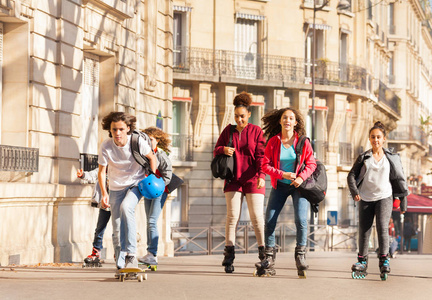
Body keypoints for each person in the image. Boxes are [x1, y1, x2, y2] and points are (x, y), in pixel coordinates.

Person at [258, 107, 316, 278]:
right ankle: (269, 258)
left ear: (295, 122)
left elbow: (311, 164)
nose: (287, 120)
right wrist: (282, 174)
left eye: (291, 118)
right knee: (269, 220)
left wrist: (300, 178)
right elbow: (265, 165)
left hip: (298, 186)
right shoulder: (274, 142)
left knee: (301, 220)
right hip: (280, 185)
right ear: (280, 121)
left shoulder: (303, 142)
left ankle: (300, 257)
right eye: (285, 117)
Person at [213, 92, 266, 273]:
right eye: (236, 116)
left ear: (249, 115)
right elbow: (215, 150)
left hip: (253, 178)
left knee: (257, 218)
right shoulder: (228, 130)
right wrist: (224, 149)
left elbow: (261, 156)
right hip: (233, 179)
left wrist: (261, 175)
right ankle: (229, 257)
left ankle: (264, 256)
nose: (239, 119)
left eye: (242, 116)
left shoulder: (256, 131)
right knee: (232, 217)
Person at [347, 121, 408, 280]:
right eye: (373, 137)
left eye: (379, 137)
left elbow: (400, 180)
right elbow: (351, 176)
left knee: (382, 227)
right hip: (366, 198)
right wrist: (355, 192)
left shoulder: (391, 158)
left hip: (385, 197)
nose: (376, 140)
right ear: (369, 139)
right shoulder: (364, 157)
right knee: (364, 230)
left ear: (384, 139)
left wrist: (403, 201)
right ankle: (362, 262)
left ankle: (384, 260)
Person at [98, 111, 158, 269]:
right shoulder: (106, 146)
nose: (117, 133)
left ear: (128, 129)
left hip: (135, 184)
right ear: (109, 130)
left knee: (127, 207)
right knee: (117, 226)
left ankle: (131, 255)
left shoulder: (137, 141)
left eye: (121, 129)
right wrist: (104, 193)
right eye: (114, 130)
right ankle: (120, 256)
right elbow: (101, 172)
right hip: (115, 187)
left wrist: (149, 179)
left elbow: (153, 158)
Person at [138, 127, 172, 266]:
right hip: (147, 191)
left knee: (152, 221)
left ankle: (152, 254)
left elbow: (168, 174)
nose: (148, 142)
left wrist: (158, 185)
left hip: (160, 191)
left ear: (157, 140)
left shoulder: (162, 155)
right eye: (146, 139)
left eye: (151, 140)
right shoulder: (144, 154)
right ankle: (150, 253)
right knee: (149, 221)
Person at [77, 167, 111, 267]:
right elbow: (93, 175)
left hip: (118, 203)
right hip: (106, 204)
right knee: (100, 227)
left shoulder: (120, 167)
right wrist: (83, 175)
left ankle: (123, 252)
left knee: (119, 229)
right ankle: (96, 253)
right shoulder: (104, 167)